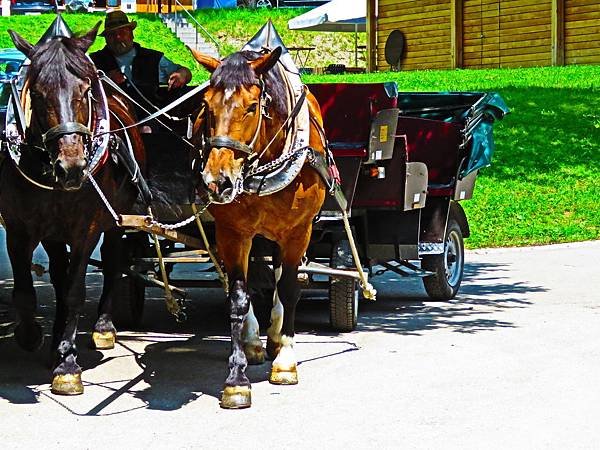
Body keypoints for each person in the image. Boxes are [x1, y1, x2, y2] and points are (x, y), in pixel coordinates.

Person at [90, 10, 192, 112]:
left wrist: (182, 74)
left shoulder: (153, 58)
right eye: (112, 34)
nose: (118, 38)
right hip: (108, 120)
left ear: (131, 33)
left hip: (149, 117)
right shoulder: (93, 61)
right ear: (106, 39)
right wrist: (104, 80)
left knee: (146, 129)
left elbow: (185, 73)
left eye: (122, 32)